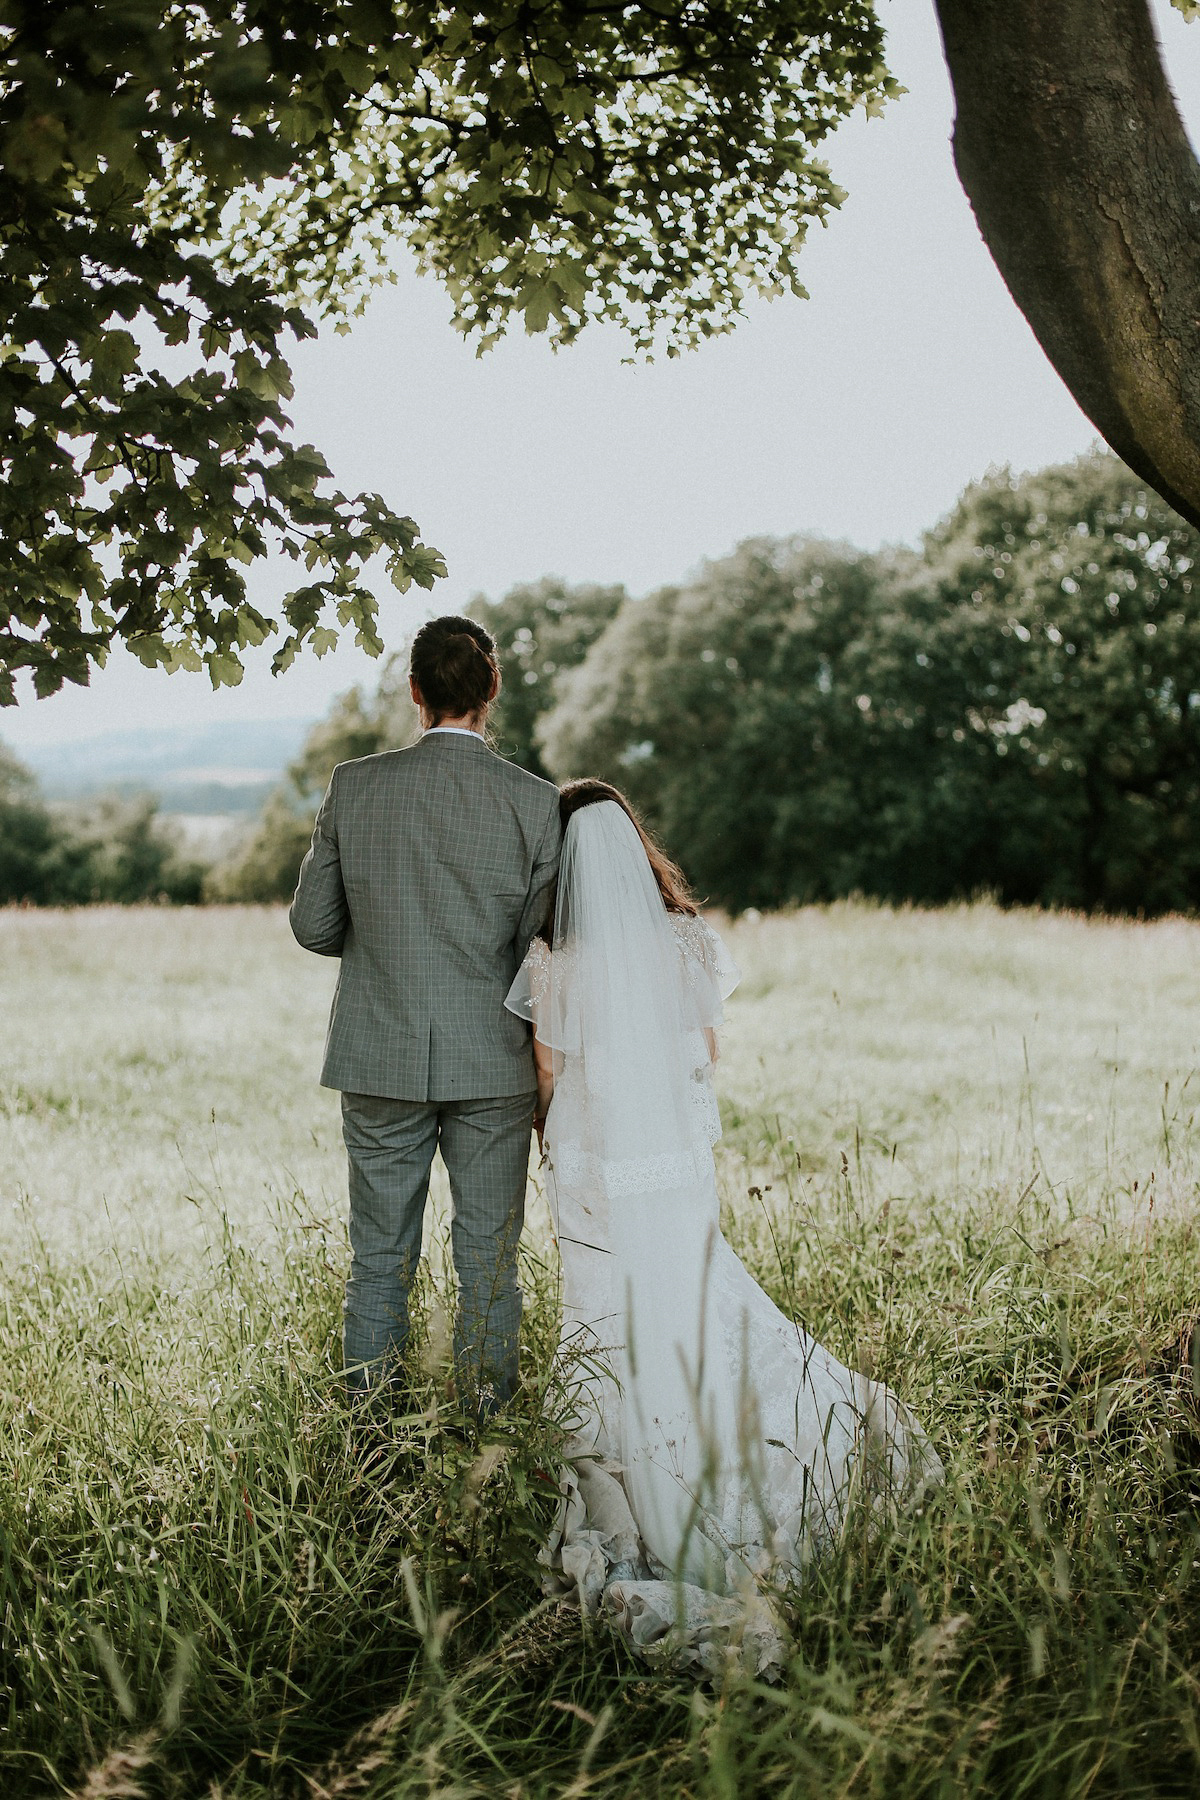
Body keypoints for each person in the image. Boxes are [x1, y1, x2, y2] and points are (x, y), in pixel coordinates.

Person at [505, 780, 941, 1676]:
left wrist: (564, 1136)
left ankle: (641, 1492)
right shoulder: (685, 943)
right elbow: (704, 1056)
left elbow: (548, 1079)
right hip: (673, 1171)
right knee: (697, 1296)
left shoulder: (555, 958)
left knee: (604, 1316)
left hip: (593, 1173)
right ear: (635, 849)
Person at [290, 615, 561, 1416]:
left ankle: (370, 1446)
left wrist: (383, 945)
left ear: (415, 692)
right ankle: (487, 1437)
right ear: (491, 690)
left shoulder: (355, 784)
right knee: (488, 1262)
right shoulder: (536, 804)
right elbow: (538, 951)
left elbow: (313, 925)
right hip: (494, 1061)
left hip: (379, 1053)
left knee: (377, 1259)